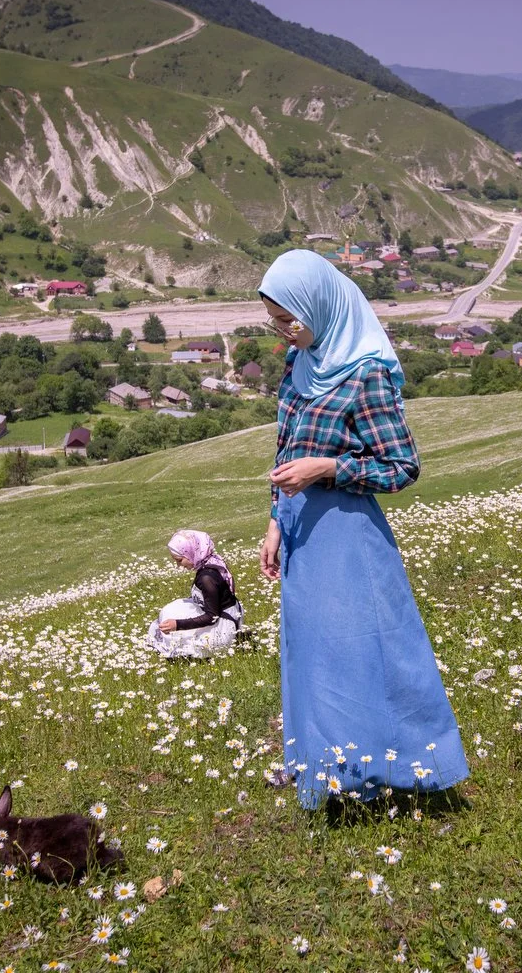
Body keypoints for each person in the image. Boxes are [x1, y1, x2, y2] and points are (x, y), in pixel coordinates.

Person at [257, 249, 469, 809]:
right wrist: (275, 521)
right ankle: (319, 768)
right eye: (275, 321)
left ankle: (393, 771)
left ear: (319, 306)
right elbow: (285, 449)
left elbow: (402, 467)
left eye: (288, 319)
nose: (283, 332)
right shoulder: (299, 363)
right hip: (301, 530)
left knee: (359, 652)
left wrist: (329, 469)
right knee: (310, 655)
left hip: (347, 534)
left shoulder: (366, 372)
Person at [148, 529, 244, 658]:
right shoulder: (210, 563)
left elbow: (211, 617)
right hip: (224, 615)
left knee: (177, 636)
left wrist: (177, 625)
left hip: (222, 628)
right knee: (171, 610)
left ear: (191, 552)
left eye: (180, 560)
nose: (179, 565)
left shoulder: (207, 578)